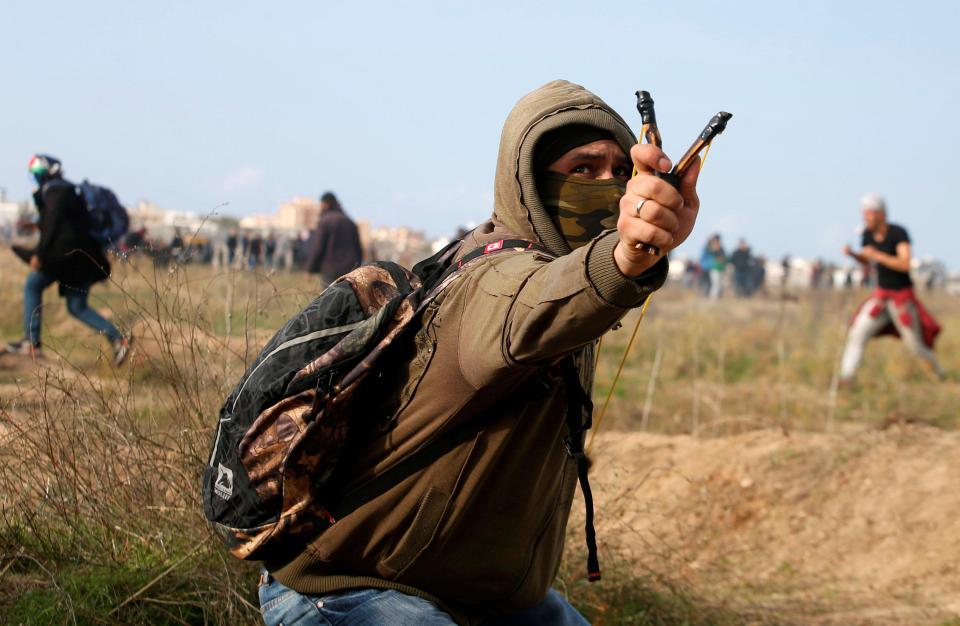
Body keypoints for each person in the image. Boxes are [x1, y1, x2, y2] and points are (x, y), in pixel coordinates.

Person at [257, 80, 702, 626]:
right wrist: (624, 257)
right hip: (351, 588)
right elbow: (535, 306)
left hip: (479, 597)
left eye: (618, 172)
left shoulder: (557, 269)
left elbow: (573, 292)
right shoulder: (496, 279)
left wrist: (637, 257)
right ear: (530, 183)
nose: (605, 186)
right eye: (582, 170)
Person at [3, 154, 131, 364]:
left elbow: (54, 225)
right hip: (82, 260)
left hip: (69, 259)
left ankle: (31, 343)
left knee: (33, 285)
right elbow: (63, 224)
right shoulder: (65, 191)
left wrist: (39, 255)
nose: (36, 180)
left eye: (37, 175)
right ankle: (119, 339)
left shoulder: (56, 191)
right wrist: (38, 226)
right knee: (77, 306)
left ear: (45, 174)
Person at [839, 193, 944, 382]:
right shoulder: (867, 234)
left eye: (869, 213)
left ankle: (940, 376)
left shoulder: (898, 233)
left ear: (880, 214)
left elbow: (905, 264)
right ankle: (847, 377)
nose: (866, 217)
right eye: (864, 213)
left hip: (901, 299)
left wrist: (878, 255)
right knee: (857, 333)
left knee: (916, 346)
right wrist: (853, 254)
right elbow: (866, 259)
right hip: (881, 297)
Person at [304, 191, 363, 283]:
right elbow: (358, 249)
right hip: (350, 269)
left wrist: (309, 269)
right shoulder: (350, 222)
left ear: (325, 204)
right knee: (347, 296)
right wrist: (358, 267)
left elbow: (318, 247)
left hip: (330, 270)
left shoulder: (325, 221)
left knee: (330, 296)